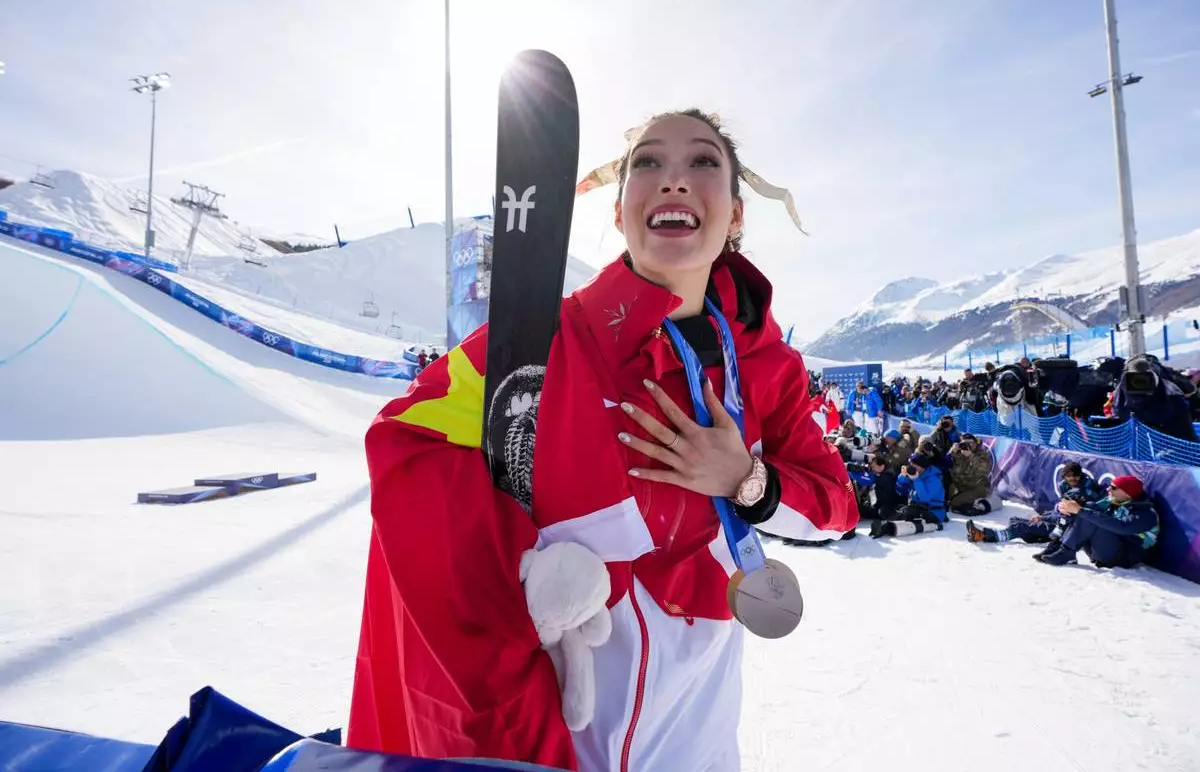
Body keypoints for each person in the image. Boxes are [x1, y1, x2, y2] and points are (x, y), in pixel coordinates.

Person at [346, 110, 859, 771]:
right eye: (648, 162)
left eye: (703, 161)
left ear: (735, 214)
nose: (673, 179)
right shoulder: (542, 341)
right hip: (563, 724)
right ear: (620, 213)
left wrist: (746, 481)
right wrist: (516, 566)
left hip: (699, 724)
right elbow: (406, 444)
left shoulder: (768, 366)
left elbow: (836, 508)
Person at [965, 461, 1102, 545]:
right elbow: (1059, 509)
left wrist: (1045, 518)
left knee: (1020, 527)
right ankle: (1025, 533)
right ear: (1065, 477)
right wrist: (1043, 517)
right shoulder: (1065, 487)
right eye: (1069, 476)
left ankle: (985, 536)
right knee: (1015, 521)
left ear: (1080, 475)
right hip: (1058, 521)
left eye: (1076, 475)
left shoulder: (1087, 488)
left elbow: (1072, 513)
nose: (1073, 479)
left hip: (1069, 528)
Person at [1035, 475, 1159, 568]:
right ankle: (1060, 548)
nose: (1108, 489)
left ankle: (1066, 552)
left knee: (1092, 516)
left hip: (1122, 557)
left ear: (1127, 493)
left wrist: (1080, 510)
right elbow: (1086, 507)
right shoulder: (1114, 500)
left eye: (1114, 488)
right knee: (1088, 509)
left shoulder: (1146, 513)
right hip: (1103, 547)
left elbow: (1123, 527)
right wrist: (1062, 508)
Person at [946, 433, 997, 516]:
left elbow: (983, 470)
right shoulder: (959, 453)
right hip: (961, 486)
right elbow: (945, 463)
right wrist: (952, 451)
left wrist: (971, 456)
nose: (968, 445)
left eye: (970, 443)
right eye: (965, 443)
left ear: (976, 443)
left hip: (977, 488)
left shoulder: (983, 454)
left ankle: (980, 505)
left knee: (955, 503)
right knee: (945, 499)